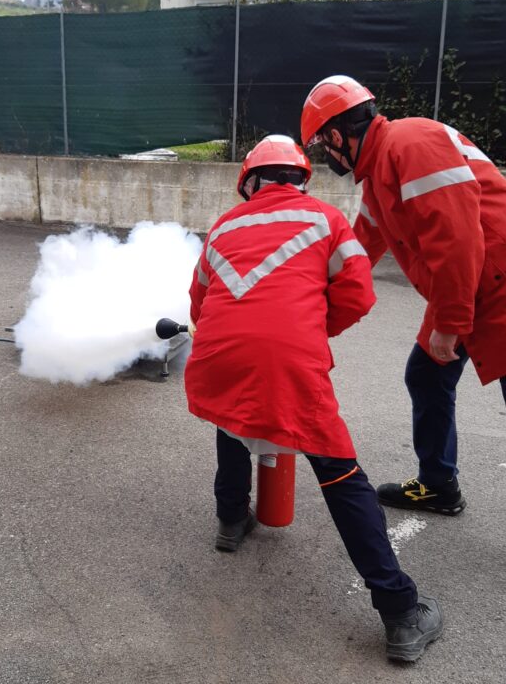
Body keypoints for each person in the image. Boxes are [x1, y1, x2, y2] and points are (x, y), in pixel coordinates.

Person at [184, 135, 442, 662]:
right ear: (302, 178)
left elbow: (199, 302)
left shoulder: (223, 226)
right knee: (339, 471)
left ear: (249, 183)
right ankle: (400, 612)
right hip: (290, 362)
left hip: (216, 355)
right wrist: (310, 330)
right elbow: (358, 294)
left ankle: (231, 519)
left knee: (232, 418)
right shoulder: (326, 218)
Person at [300, 76, 506, 515]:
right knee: (427, 374)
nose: (328, 156)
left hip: (501, 282)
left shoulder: (410, 144)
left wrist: (450, 323)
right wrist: (304, 293)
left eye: (323, 145)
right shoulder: (380, 171)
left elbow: (457, 239)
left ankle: (438, 481)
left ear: (337, 136)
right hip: (472, 283)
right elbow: (359, 248)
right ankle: (438, 485)